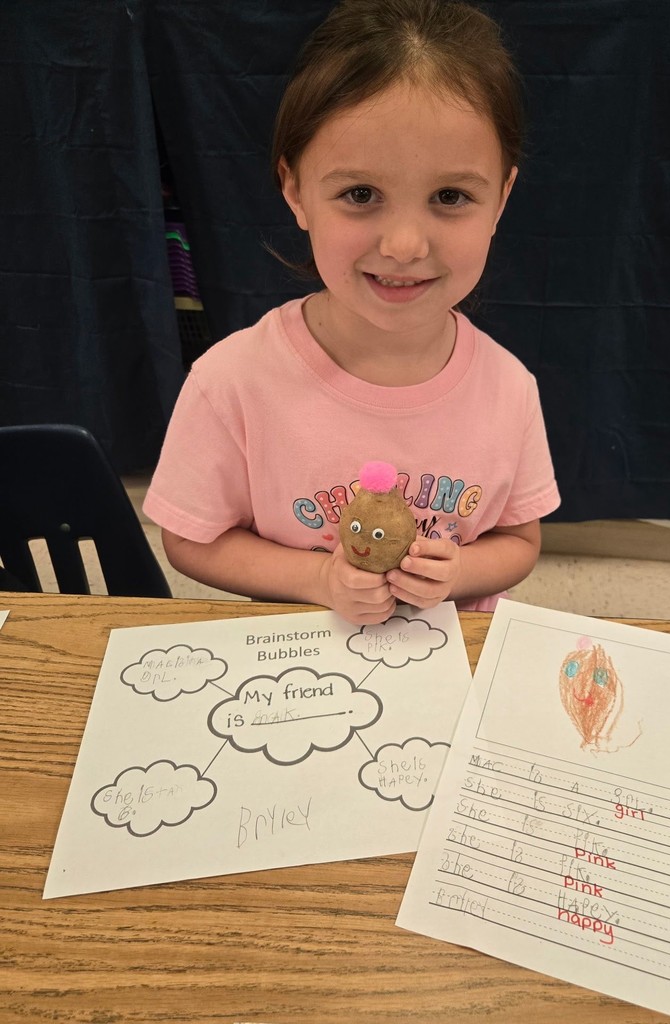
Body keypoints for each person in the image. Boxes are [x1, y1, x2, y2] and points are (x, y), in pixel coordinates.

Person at [143, 0, 560, 624]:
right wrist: (317, 577)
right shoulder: (231, 381)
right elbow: (191, 538)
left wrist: (463, 572)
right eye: (360, 194)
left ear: (501, 197)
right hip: (297, 672)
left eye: (451, 196)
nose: (404, 245)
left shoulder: (508, 388)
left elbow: (520, 543)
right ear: (295, 190)